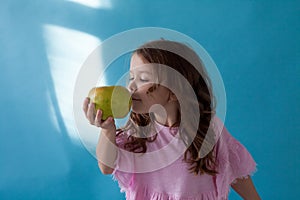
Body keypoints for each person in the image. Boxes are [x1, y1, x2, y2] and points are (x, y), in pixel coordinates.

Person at [83, 39, 261, 200]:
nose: (130, 85)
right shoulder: (137, 133)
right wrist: (107, 129)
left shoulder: (210, 129)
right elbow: (106, 167)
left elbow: (234, 168)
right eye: (131, 77)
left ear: (175, 91)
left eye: (143, 78)